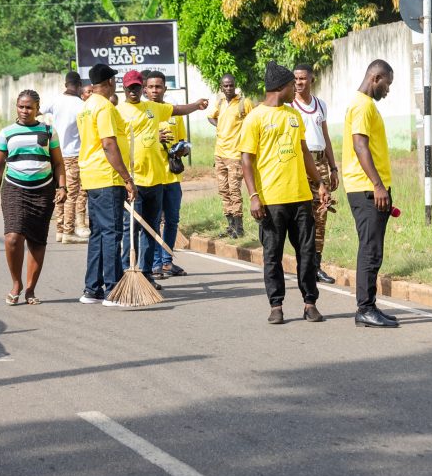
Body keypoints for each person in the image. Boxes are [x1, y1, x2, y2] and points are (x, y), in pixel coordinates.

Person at [240, 61, 330, 325]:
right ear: (281, 87)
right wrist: (254, 196)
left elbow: (304, 154)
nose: (296, 88)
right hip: (271, 201)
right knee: (272, 254)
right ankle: (276, 305)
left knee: (307, 252)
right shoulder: (254, 118)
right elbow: (247, 161)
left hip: (301, 197)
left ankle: (310, 302)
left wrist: (320, 183)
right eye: (293, 84)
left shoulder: (294, 116)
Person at [116, 70, 207, 289]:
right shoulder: (118, 112)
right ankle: (126, 273)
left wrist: (196, 105)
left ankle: (147, 273)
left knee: (151, 229)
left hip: (156, 181)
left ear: (141, 88)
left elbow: (177, 109)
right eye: (130, 88)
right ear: (124, 89)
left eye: (137, 87)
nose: (134, 91)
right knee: (131, 230)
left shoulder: (154, 108)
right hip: (133, 181)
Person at [0, 90, 66, 306]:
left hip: (43, 190)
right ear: (16, 107)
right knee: (13, 237)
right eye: (21, 107)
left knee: (37, 240)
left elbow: (58, 163)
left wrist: (62, 187)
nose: (25, 111)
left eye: (29, 107)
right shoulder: (6, 133)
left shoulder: (48, 131)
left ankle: (30, 289)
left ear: (37, 108)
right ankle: (16, 284)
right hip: (14, 188)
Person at [342, 60, 399, 328]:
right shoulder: (363, 105)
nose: (388, 90)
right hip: (365, 188)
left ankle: (370, 305)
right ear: (375, 78)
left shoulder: (363, 104)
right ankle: (365, 308)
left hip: (369, 188)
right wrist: (377, 185)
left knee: (373, 248)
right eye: (387, 84)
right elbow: (360, 146)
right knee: (370, 249)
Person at [76, 64, 137, 306]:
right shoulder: (104, 107)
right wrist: (127, 178)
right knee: (112, 232)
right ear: (110, 82)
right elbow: (108, 144)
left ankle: (92, 289)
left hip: (91, 176)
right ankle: (113, 289)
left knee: (99, 233)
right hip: (107, 176)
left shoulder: (86, 106)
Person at [292, 62, 339, 284]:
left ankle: (316, 265)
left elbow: (326, 137)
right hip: (300, 164)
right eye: (296, 79)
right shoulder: (290, 106)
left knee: (321, 215)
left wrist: (333, 167)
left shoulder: (320, 104)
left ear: (311, 79)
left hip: (320, 162)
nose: (299, 83)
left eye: (302, 78)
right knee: (303, 217)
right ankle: (305, 264)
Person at [144, 70, 192, 278]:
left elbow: (186, 143)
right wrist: (155, 137)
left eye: (158, 86)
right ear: (145, 89)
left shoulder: (174, 113)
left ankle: (166, 261)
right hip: (151, 177)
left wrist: (182, 149)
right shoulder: (141, 113)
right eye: (151, 87)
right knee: (152, 221)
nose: (155, 90)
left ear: (165, 88)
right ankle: (154, 263)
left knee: (172, 220)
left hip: (172, 176)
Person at [41, 71, 89, 244]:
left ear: (65, 84)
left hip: (55, 153)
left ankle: (60, 230)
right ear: (79, 86)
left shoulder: (55, 100)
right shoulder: (81, 105)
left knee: (59, 192)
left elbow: (37, 110)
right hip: (74, 155)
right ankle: (69, 231)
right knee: (71, 194)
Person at [208, 73, 254, 238]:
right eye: (225, 86)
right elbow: (210, 117)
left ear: (235, 85)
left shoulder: (244, 103)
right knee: (223, 190)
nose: (228, 88)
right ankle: (230, 226)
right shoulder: (220, 102)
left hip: (235, 154)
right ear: (221, 87)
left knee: (235, 190)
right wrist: (220, 127)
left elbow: (254, 122)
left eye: (231, 85)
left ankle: (239, 228)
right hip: (219, 153)